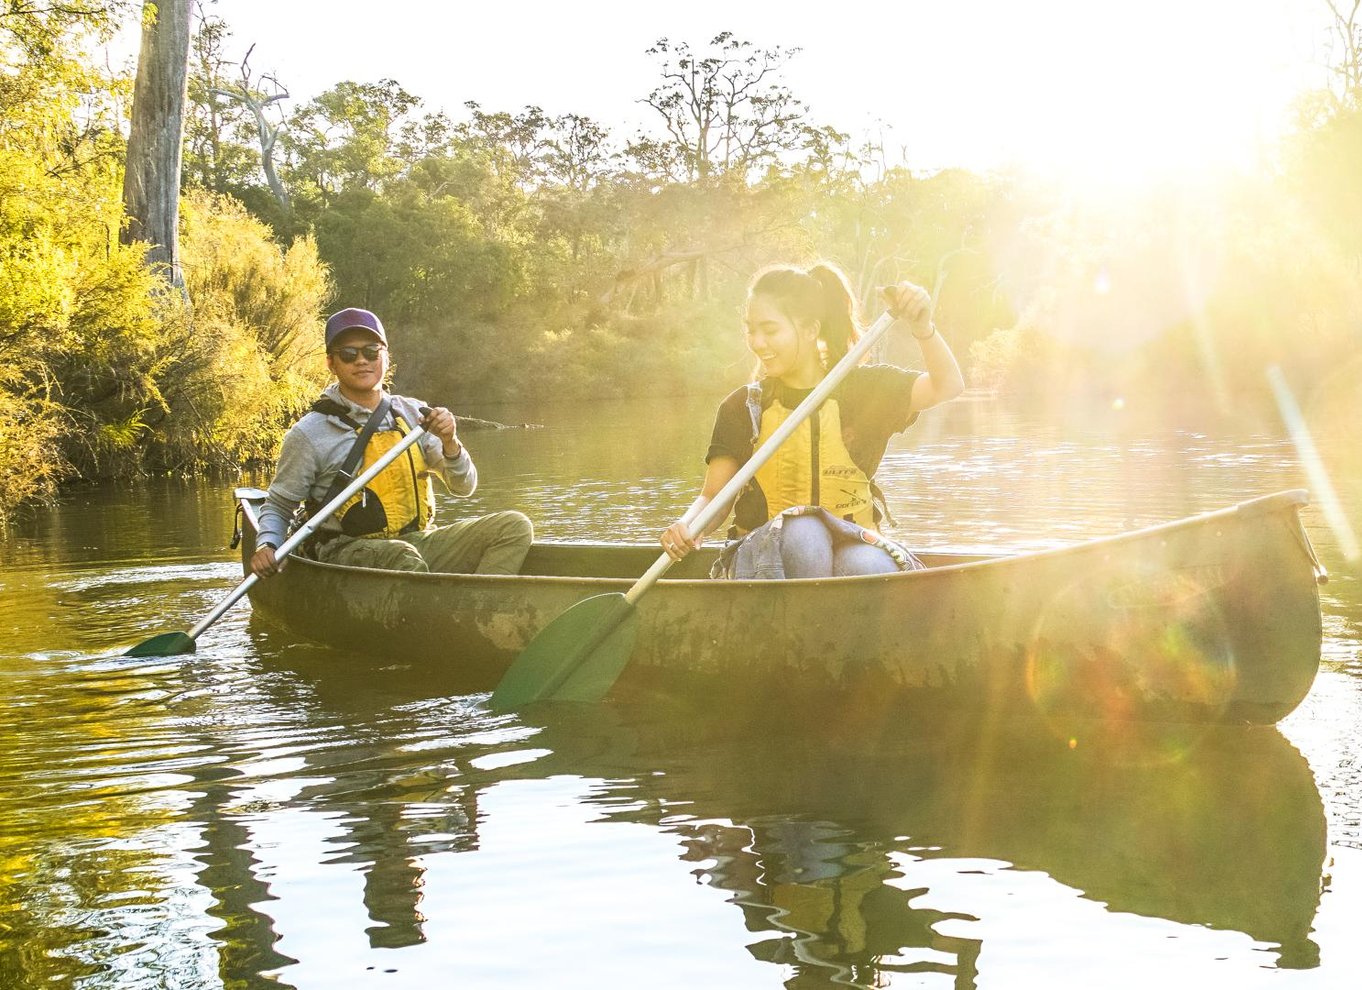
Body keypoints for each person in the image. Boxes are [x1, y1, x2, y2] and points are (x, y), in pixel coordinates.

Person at [659, 262, 964, 579]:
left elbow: (948, 385)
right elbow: (714, 499)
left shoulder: (865, 391)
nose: (758, 342)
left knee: (867, 564)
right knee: (806, 531)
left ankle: (833, 624)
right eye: (751, 329)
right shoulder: (742, 407)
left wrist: (922, 327)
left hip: (853, 543)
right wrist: (688, 525)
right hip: (762, 559)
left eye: (770, 330)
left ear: (809, 329)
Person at [250, 307, 533, 578]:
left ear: (386, 357)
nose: (361, 360)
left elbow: (464, 487)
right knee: (401, 556)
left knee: (513, 526)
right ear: (331, 363)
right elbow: (279, 506)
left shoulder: (414, 414)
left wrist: (450, 442)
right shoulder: (309, 433)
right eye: (348, 354)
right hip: (344, 551)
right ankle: (438, 616)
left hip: (415, 543)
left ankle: (481, 608)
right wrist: (267, 545)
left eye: (371, 351)